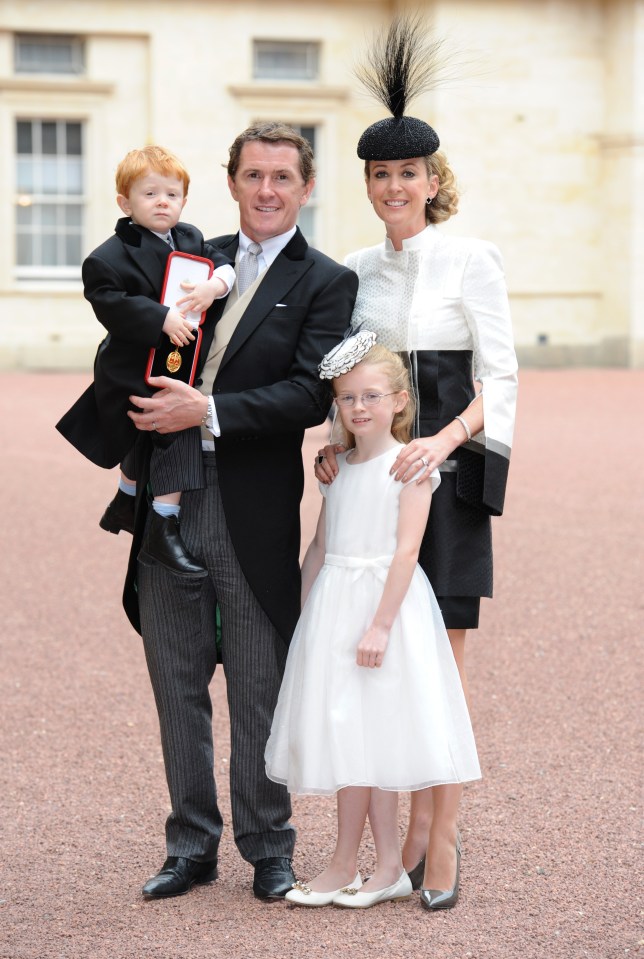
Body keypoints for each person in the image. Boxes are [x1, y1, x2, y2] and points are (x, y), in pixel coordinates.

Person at [122, 123, 358, 901]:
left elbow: (307, 391)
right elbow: (130, 334)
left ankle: (269, 847)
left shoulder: (326, 281)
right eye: (253, 174)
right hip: (170, 487)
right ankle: (191, 845)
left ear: (306, 188)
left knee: (260, 682)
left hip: (250, 498)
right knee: (176, 676)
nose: (266, 190)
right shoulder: (183, 257)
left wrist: (207, 410)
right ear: (231, 182)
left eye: (282, 177)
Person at [315, 18, 518, 906]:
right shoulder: (356, 269)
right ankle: (394, 847)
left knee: (443, 661)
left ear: (434, 181)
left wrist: (446, 437)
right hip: (378, 484)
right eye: (381, 174)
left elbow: (501, 375)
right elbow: (354, 380)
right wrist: (333, 435)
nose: (396, 186)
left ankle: (443, 835)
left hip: (451, 476)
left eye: (409, 173)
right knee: (385, 657)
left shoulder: (474, 259)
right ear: (367, 184)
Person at [265, 336, 480, 910]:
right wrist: (304, 615)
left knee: (378, 733)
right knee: (346, 735)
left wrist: (381, 625)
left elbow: (407, 552)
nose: (359, 408)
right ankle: (347, 862)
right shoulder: (337, 467)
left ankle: (386, 866)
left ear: (400, 400)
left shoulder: (407, 467)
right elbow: (321, 544)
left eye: (371, 396)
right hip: (336, 607)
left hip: (386, 609)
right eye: (346, 399)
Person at [56, 145, 235, 575]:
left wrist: (216, 285)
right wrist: (162, 318)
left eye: (172, 195)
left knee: (154, 432)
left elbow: (224, 263)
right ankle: (161, 525)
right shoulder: (108, 256)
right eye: (150, 194)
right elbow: (110, 302)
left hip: (177, 360)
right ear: (125, 203)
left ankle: (128, 501)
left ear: (184, 202)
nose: (162, 202)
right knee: (159, 426)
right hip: (131, 364)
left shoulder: (191, 237)